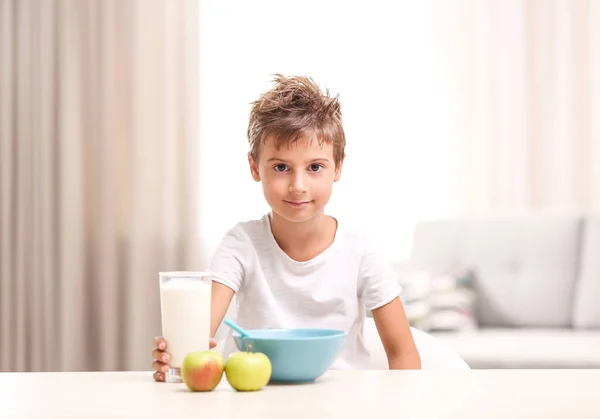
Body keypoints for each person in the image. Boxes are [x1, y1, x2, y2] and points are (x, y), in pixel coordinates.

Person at [152, 74, 421, 381]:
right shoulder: (242, 244)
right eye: (281, 167)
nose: (298, 186)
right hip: (254, 399)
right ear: (255, 167)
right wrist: (175, 359)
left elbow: (403, 354)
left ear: (338, 167)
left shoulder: (362, 252)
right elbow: (197, 339)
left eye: (315, 167)